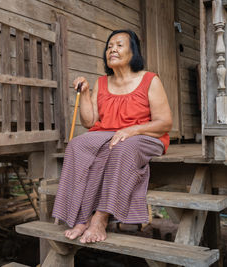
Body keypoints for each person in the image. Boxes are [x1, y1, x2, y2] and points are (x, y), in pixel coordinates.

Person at [52, 29, 172, 244]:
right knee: (77, 145)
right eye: (109, 46)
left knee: (123, 147)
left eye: (118, 45)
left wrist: (132, 130)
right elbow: (89, 122)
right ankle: (81, 216)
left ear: (133, 52)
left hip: (145, 135)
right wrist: (87, 92)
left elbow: (164, 123)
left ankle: (100, 217)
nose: (112, 50)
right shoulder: (102, 82)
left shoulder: (149, 80)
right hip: (109, 134)